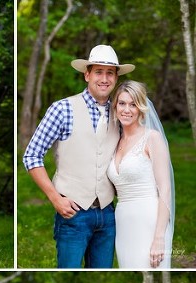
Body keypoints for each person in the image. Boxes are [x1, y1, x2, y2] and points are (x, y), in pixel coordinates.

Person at [23, 45, 135, 268]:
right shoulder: (62, 109)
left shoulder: (121, 113)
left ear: (115, 77)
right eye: (98, 72)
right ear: (87, 74)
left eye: (110, 73)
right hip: (72, 214)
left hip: (107, 215)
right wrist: (55, 198)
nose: (104, 79)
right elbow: (32, 156)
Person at [108, 81, 174, 269]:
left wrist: (159, 237)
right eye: (122, 103)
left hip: (149, 219)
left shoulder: (152, 138)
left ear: (141, 108)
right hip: (123, 221)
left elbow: (165, 189)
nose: (126, 110)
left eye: (133, 104)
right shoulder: (115, 140)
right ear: (115, 106)